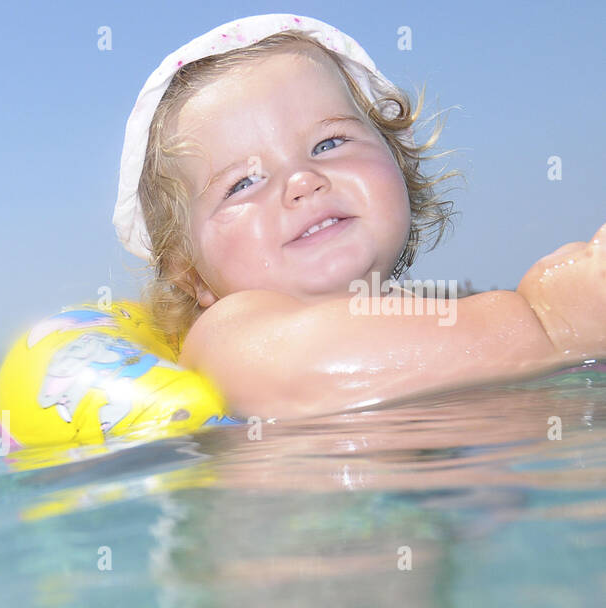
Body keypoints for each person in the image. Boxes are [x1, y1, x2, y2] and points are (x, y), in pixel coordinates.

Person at [113, 14, 606, 420]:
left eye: (329, 143)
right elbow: (309, 365)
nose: (302, 180)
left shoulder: (439, 310)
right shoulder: (227, 333)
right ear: (190, 272)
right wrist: (552, 323)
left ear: (399, 162)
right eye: (242, 183)